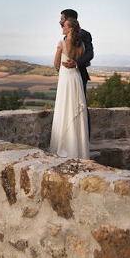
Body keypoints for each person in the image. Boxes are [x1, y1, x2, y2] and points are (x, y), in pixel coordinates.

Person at [49, 17, 90, 159]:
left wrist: (59, 64)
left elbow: (56, 64)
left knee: (64, 108)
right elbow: (87, 60)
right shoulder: (81, 45)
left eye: (64, 25)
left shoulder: (62, 43)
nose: (62, 28)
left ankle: (65, 146)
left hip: (66, 79)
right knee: (76, 110)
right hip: (76, 78)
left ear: (70, 28)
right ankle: (78, 148)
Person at [59, 9, 93, 94]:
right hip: (67, 75)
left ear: (68, 20)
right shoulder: (65, 37)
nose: (60, 22)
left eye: (62, 19)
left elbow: (90, 53)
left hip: (79, 74)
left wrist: (76, 63)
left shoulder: (84, 34)